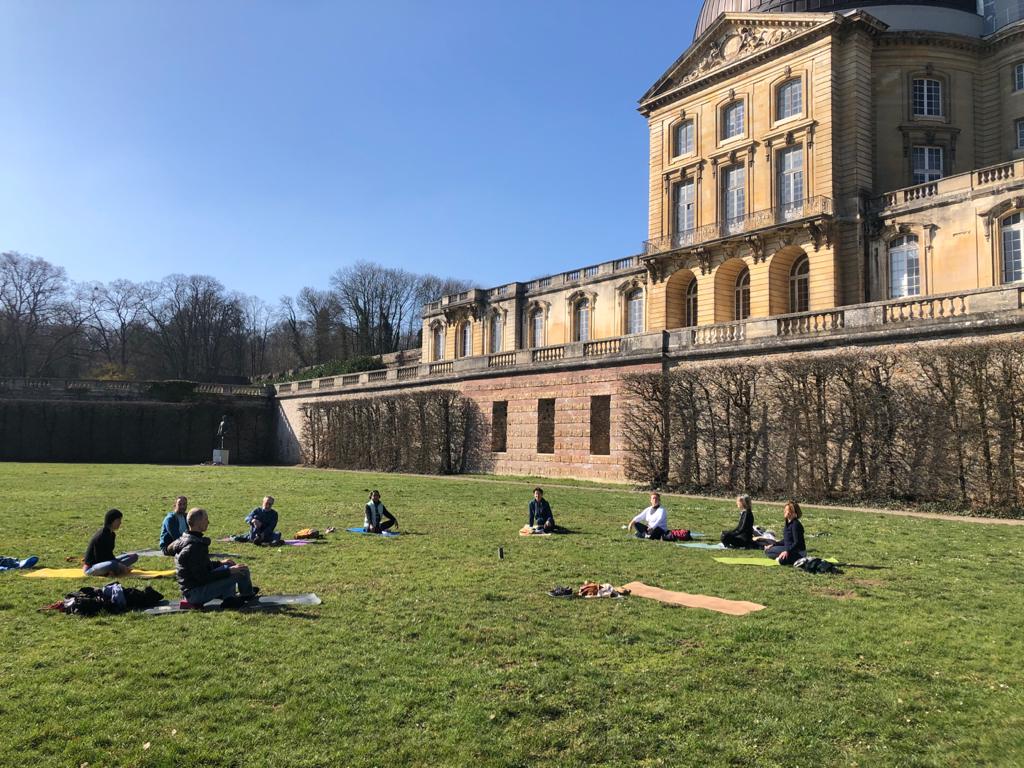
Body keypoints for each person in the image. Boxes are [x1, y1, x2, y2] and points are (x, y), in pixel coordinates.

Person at [167, 507, 259, 607]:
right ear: (199, 522)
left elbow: (200, 566)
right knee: (242, 571)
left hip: (192, 589)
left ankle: (230, 598)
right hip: (195, 594)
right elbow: (203, 577)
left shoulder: (185, 539)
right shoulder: (194, 547)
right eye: (206, 519)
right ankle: (247, 595)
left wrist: (221, 563)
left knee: (228, 566)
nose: (208, 522)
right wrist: (229, 572)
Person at [83, 509, 139, 576]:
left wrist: (119, 565)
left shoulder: (112, 534)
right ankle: (114, 570)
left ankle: (114, 570)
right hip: (92, 567)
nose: (120, 523)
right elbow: (99, 559)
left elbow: (109, 554)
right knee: (113, 564)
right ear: (112, 521)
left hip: (107, 562)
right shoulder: (101, 536)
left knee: (134, 556)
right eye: (118, 520)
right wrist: (119, 565)